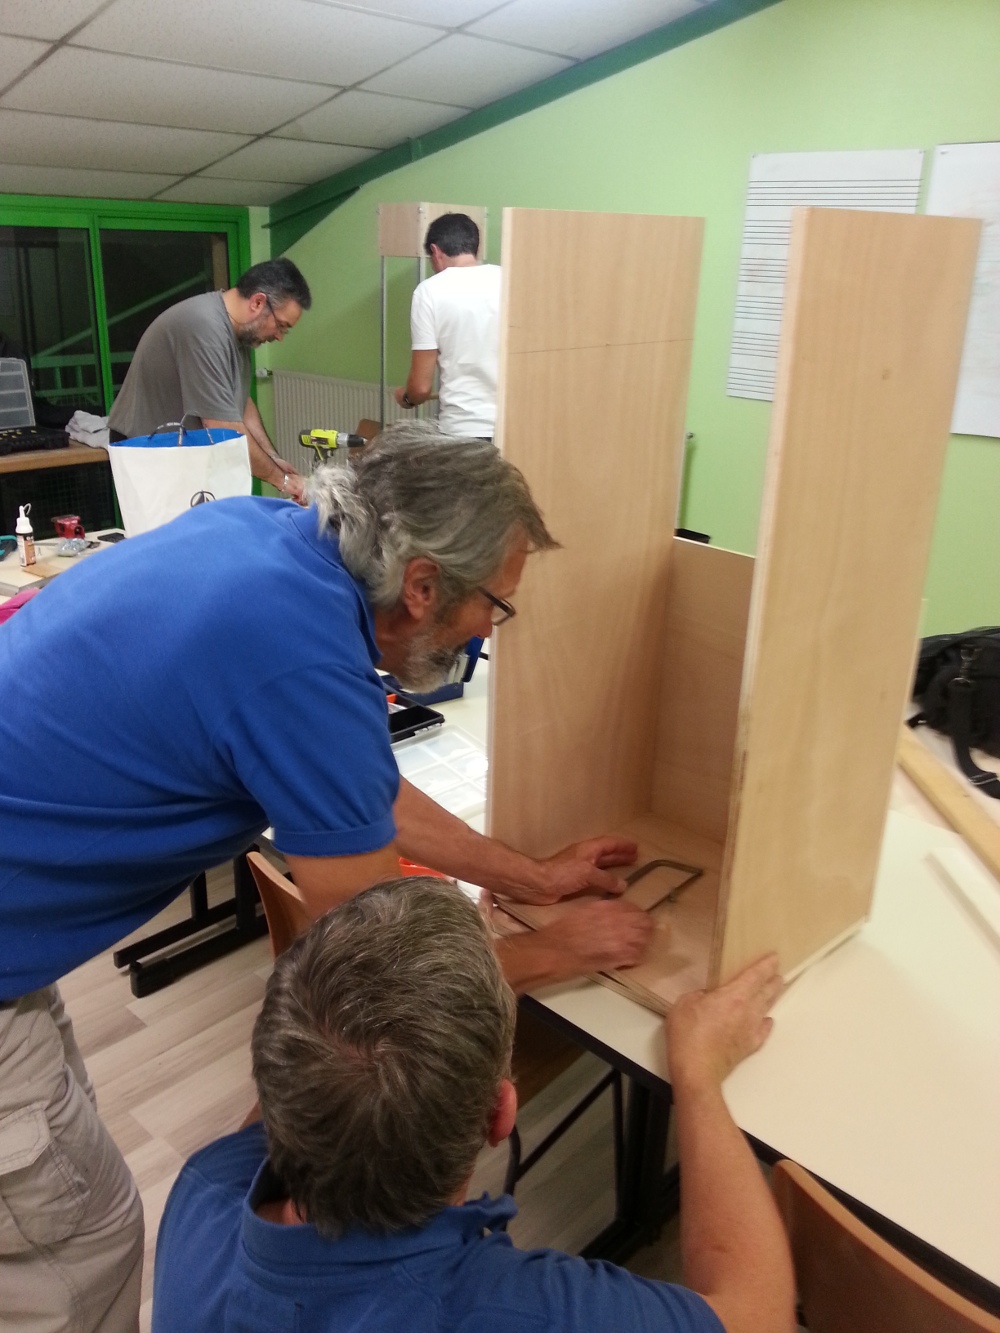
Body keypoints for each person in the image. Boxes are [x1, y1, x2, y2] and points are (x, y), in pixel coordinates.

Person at [0, 421, 651, 1332]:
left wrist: (534, 877)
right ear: (422, 585)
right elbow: (385, 993)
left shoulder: (272, 544)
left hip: (18, 937)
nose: (487, 628)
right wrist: (559, 951)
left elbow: (360, 787)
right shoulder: (297, 654)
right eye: (494, 605)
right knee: (83, 1247)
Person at [152, 878, 796, 1333]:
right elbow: (759, 1317)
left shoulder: (202, 1192)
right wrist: (699, 1075)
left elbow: (304, 1079)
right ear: (499, 1115)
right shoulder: (510, 1312)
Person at [108, 257, 311, 501]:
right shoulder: (204, 326)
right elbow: (223, 428)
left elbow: (239, 404)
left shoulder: (240, 333)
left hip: (183, 449)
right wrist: (283, 481)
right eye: (281, 326)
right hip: (148, 449)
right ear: (258, 302)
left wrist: (273, 458)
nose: (279, 336)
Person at [394, 213, 502, 439]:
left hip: (464, 427)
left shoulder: (429, 291)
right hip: (514, 424)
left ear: (435, 251)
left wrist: (406, 397)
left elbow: (420, 388)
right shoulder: (508, 279)